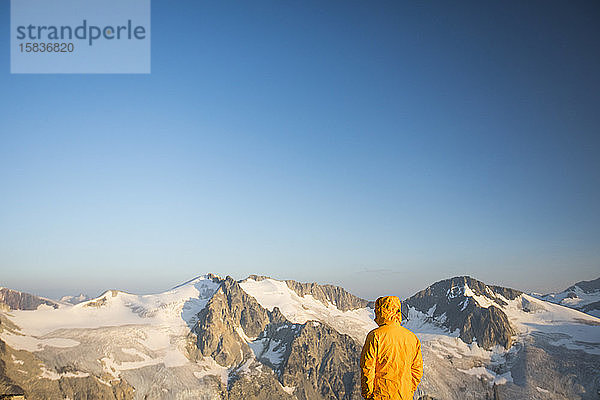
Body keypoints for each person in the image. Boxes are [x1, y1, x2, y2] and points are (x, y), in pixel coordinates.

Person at [360, 296, 423, 399]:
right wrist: (408, 390)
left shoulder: (375, 336)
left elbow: (367, 368)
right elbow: (417, 370)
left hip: (380, 396)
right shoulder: (412, 338)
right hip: (404, 396)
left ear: (381, 311)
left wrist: (369, 395)